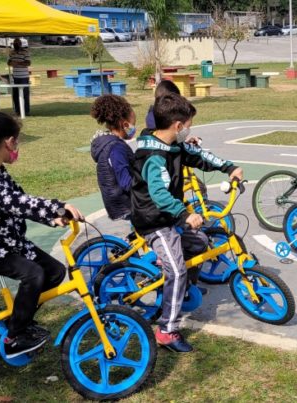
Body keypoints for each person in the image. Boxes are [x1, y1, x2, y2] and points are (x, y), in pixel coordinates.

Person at [0, 111, 84, 358]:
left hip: (6, 241)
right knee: (33, 274)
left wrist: (51, 216)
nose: (17, 146)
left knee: (55, 271)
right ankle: (13, 338)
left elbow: (19, 198)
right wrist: (55, 207)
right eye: (16, 140)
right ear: (6, 142)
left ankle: (21, 321)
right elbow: (13, 201)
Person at [130, 93, 243, 353]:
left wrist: (229, 167)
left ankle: (182, 292)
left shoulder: (172, 146)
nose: (190, 130)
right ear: (178, 126)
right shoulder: (153, 156)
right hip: (153, 221)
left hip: (168, 216)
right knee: (177, 270)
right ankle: (167, 330)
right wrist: (184, 215)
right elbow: (159, 194)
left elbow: (200, 156)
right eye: (189, 125)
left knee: (201, 241)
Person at [90, 94, 136, 221]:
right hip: (126, 204)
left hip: (117, 203)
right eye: (133, 124)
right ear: (125, 124)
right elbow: (126, 182)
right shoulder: (116, 148)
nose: (134, 128)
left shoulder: (108, 144)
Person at [7, 39, 31, 117]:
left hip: (24, 76)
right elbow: (8, 62)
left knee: (25, 94)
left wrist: (18, 63)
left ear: (20, 44)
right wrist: (11, 63)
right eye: (14, 43)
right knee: (15, 94)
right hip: (15, 76)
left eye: (17, 43)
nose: (16, 44)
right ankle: (17, 111)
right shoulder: (11, 52)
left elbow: (28, 62)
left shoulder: (25, 52)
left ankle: (26, 111)